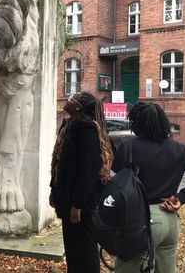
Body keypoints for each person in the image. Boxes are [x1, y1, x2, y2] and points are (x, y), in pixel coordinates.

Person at [112, 102, 185, 273]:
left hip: (140, 220)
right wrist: (181, 198)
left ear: (136, 124)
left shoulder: (128, 148)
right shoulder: (179, 149)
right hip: (169, 219)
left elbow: (114, 184)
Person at [50, 92, 114, 273]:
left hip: (81, 207)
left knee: (84, 252)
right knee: (73, 249)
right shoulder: (70, 126)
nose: (68, 99)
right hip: (67, 200)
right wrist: (53, 190)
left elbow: (88, 171)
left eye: (72, 98)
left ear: (78, 107)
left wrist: (78, 204)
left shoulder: (87, 131)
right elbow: (59, 164)